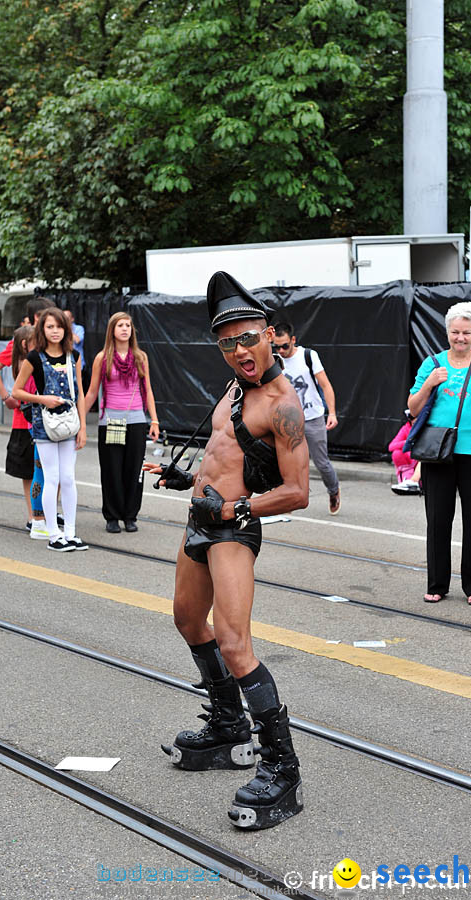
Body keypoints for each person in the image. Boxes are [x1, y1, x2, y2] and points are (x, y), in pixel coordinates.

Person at [144, 271, 309, 831]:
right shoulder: (236, 388)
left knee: (237, 643)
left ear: (270, 335)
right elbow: (222, 453)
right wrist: (179, 478)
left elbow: (298, 492)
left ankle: (282, 769)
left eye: (248, 338)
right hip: (199, 520)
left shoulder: (282, 404)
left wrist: (235, 511)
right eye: (227, 342)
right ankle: (227, 724)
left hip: (233, 530)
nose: (240, 350)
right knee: (188, 620)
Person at [407, 302, 471, 607]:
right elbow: (412, 407)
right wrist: (430, 382)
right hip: (439, 452)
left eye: (466, 332)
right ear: (447, 332)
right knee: (438, 519)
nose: (460, 338)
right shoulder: (433, 363)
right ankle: (437, 583)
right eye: (455, 332)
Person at [12, 308, 87, 552]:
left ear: (66, 329)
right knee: (51, 478)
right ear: (42, 329)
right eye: (50, 327)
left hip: (69, 423)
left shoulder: (73, 355)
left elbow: (81, 394)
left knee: (68, 478)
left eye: (59, 326)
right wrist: (43, 399)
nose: (55, 331)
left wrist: (83, 428)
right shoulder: (34, 358)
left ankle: (71, 533)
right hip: (44, 425)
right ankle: (53, 534)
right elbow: (17, 391)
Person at [84, 312, 160, 533]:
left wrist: (153, 420)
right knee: (111, 470)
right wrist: (79, 421)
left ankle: (130, 515)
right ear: (112, 330)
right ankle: (112, 516)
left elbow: (148, 391)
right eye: (120, 325)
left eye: (128, 325)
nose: (125, 329)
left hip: (136, 419)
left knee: (134, 469)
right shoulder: (102, 358)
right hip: (110, 420)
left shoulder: (140, 357)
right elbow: (91, 393)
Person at [272, 321, 341, 515]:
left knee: (321, 462)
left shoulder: (308, 356)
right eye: (276, 346)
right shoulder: (274, 359)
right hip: (288, 419)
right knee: (287, 462)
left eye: (285, 345)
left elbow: (326, 385)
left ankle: (333, 490)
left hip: (312, 416)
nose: (281, 350)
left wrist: (332, 413)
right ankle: (289, 499)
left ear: (293, 340)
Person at [0, 325, 35, 526]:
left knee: (49, 472)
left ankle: (43, 513)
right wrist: (6, 396)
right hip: (25, 420)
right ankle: (34, 516)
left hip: (44, 421)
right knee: (29, 472)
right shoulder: (22, 342)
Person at [388, 410, 421, 495]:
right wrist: (408, 442)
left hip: (422, 458)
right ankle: (408, 480)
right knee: (397, 454)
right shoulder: (406, 428)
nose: (414, 420)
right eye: (411, 418)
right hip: (411, 460)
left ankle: (416, 482)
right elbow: (391, 446)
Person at [64, 309, 88, 391]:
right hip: (65, 365)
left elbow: (77, 340)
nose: (65, 320)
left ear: (72, 319)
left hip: (78, 364)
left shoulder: (78, 328)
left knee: (78, 389)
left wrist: (68, 329)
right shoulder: (60, 330)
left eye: (67, 318)